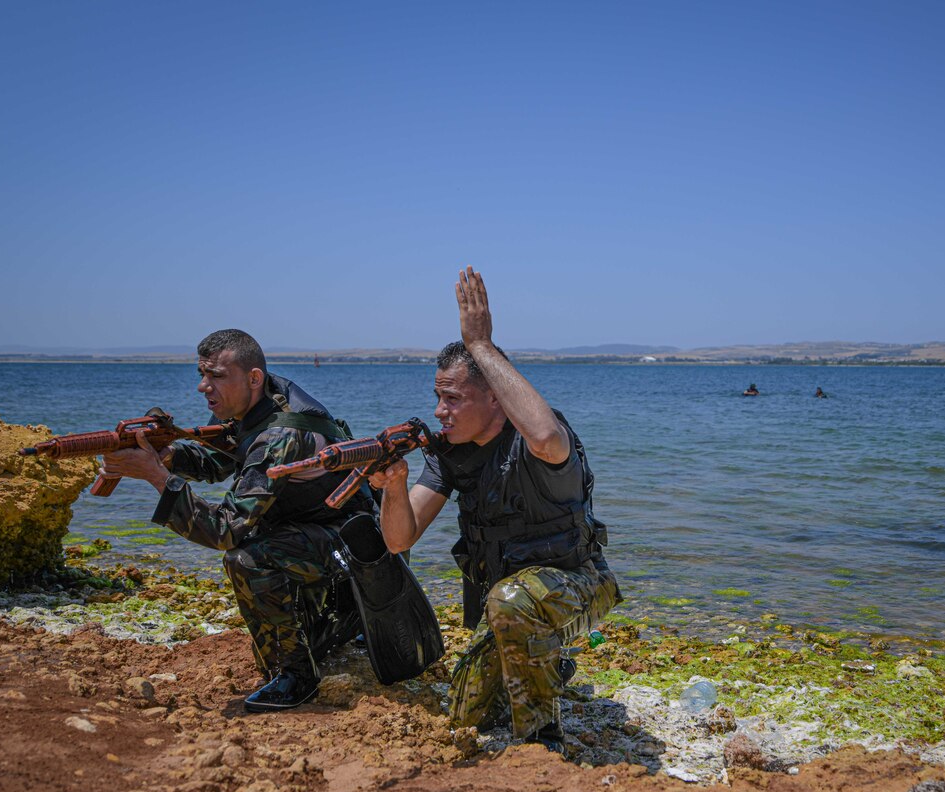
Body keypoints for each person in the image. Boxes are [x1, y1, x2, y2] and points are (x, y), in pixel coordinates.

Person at [369, 267, 621, 755]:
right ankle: (547, 663)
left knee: (510, 602)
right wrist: (394, 486)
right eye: (437, 398)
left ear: (496, 399)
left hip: (581, 585)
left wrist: (482, 345)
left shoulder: (538, 440)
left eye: (453, 398)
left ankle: (541, 741)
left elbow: (546, 436)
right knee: (465, 711)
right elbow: (399, 540)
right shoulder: (452, 455)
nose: (441, 411)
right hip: (514, 604)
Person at [101, 329, 375, 712]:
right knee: (261, 545)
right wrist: (168, 457)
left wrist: (156, 477)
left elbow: (225, 531)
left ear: (253, 378)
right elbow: (225, 461)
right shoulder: (264, 404)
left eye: (215, 376)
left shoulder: (281, 433)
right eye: (201, 374)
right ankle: (334, 627)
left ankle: (296, 677)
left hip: (354, 552)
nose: (203, 387)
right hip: (326, 534)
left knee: (246, 558)